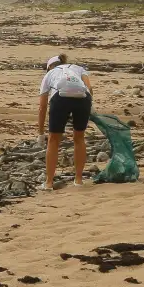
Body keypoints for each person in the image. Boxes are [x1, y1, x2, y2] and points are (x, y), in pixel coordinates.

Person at [37, 54, 93, 190]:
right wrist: (89, 106)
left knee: (53, 140)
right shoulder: (78, 69)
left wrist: (40, 132)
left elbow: (42, 106)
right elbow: (89, 88)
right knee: (79, 138)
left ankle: (49, 182)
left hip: (60, 98)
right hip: (83, 98)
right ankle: (78, 180)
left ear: (50, 67)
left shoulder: (50, 74)